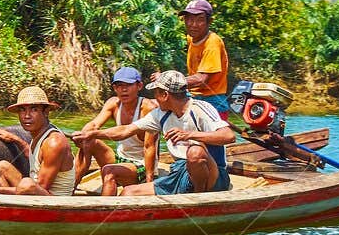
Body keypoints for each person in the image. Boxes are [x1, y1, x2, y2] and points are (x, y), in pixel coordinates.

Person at [76, 71, 234, 195]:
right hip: (181, 171)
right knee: (128, 192)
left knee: (195, 152)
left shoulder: (200, 108)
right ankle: (106, 223)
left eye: (157, 93)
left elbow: (229, 136)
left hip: (214, 176)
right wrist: (93, 134)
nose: (154, 98)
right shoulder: (161, 113)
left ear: (165, 95)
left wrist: (189, 135)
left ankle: (199, 198)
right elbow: (126, 130)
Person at [72, 66, 157, 193]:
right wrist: (82, 134)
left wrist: (149, 183)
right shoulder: (113, 103)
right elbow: (94, 125)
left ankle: (105, 210)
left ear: (139, 86)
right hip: (120, 158)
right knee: (88, 142)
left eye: (128, 85)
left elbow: (149, 147)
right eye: (118, 86)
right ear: (114, 88)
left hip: (141, 165)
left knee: (108, 171)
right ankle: (71, 188)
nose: (123, 90)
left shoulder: (148, 108)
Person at [0, 86, 77, 196]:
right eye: (22, 110)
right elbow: (34, 156)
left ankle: (10, 205)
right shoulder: (39, 134)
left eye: (34, 109)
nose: (27, 116)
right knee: (1, 167)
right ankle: (11, 208)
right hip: (36, 191)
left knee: (26, 184)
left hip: (54, 201)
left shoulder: (54, 142)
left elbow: (40, 187)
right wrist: (14, 139)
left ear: (46, 112)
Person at [181, 0, 231, 118]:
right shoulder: (191, 38)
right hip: (193, 95)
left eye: (200, 20)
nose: (193, 25)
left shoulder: (212, 42)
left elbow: (201, 79)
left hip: (212, 100)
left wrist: (170, 80)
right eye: (189, 19)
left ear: (209, 21)